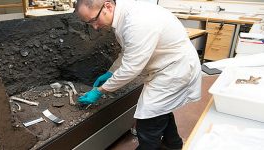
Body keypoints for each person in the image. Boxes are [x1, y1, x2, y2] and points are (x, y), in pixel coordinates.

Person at [75, 0, 202, 149]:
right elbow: (127, 53)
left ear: (108, 6)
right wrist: (111, 72)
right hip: (166, 68)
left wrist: (100, 90)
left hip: (174, 70)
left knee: (147, 125)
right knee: (160, 111)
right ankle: (174, 144)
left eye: (94, 20)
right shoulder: (123, 16)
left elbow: (131, 68)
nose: (95, 27)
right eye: (90, 23)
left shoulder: (136, 22)